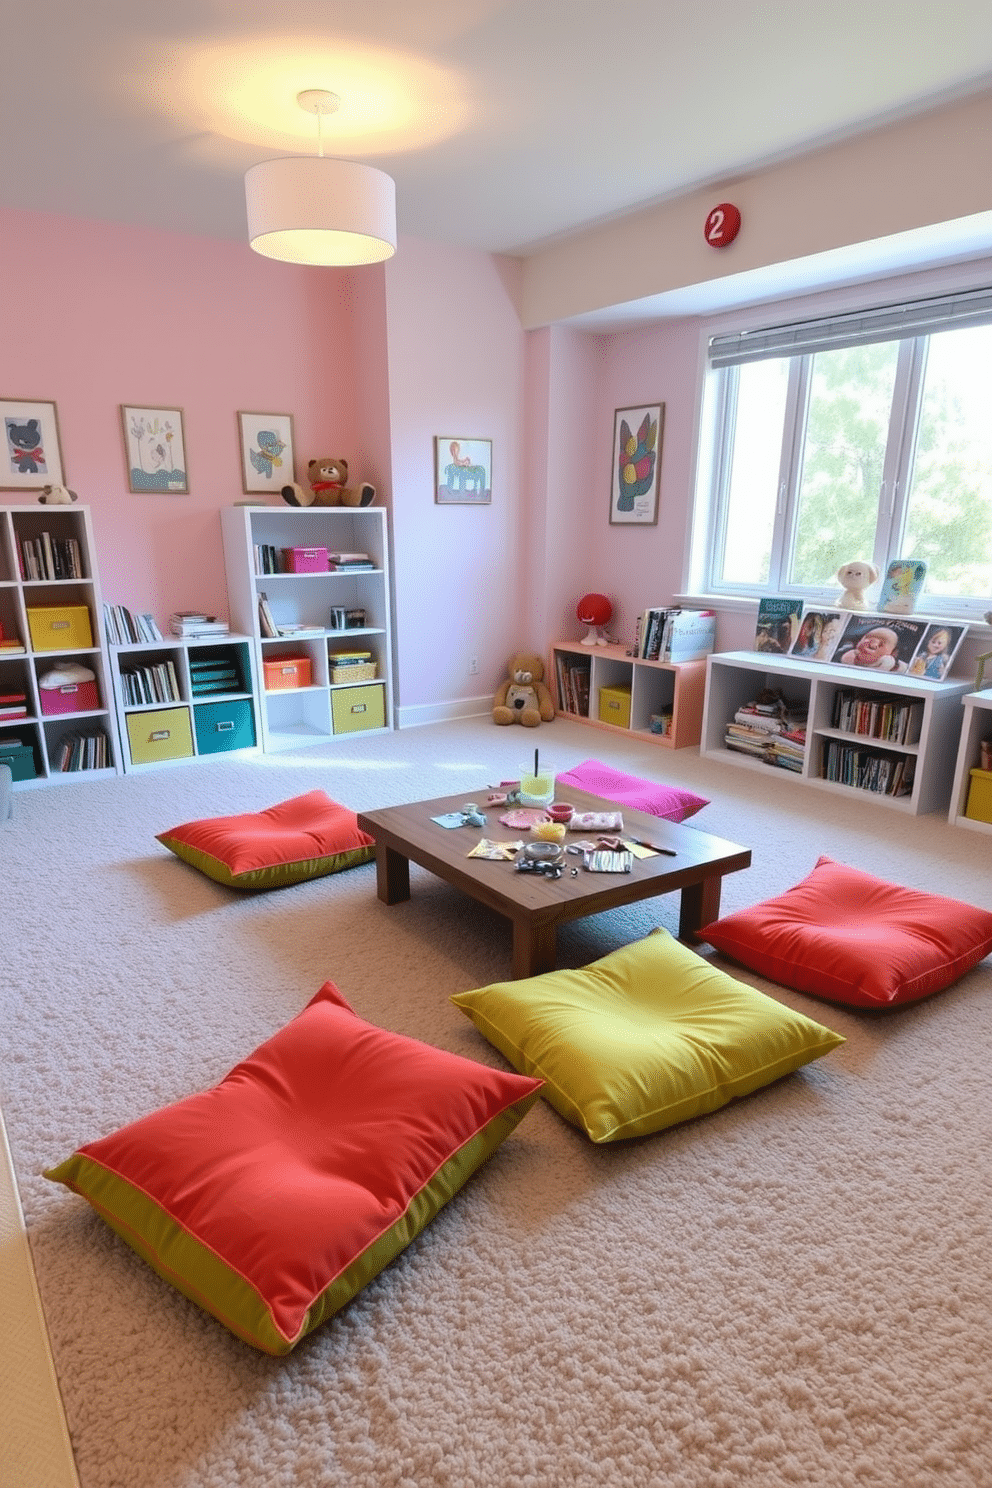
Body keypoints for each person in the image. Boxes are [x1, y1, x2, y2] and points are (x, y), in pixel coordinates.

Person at [840, 625, 904, 672]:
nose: (873, 645)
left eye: (881, 644)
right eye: (867, 639)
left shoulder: (891, 663)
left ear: (893, 653)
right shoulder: (849, 654)